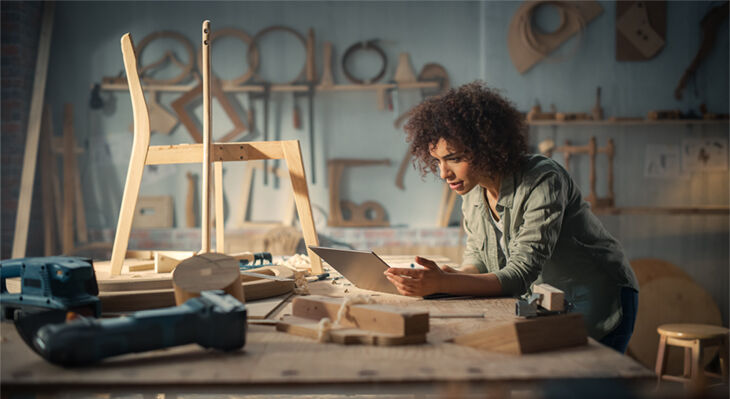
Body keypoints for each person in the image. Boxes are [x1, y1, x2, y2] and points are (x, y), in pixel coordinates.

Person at [384, 81, 639, 353]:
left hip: (597, 298)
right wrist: (453, 276)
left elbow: (520, 274)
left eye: (454, 158)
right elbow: (479, 258)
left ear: (485, 147)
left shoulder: (543, 179)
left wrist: (447, 282)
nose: (443, 173)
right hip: (548, 300)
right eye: (437, 161)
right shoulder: (472, 190)